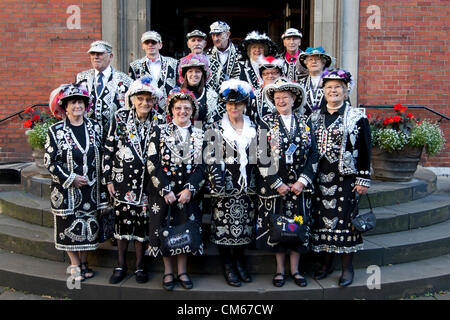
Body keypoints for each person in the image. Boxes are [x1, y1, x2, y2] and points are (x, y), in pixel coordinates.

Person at [309, 69, 371, 287]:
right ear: (323, 92)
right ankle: (326, 264)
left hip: (345, 178)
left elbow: (365, 148)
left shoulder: (357, 117)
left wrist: (363, 179)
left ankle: (347, 267)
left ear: (346, 91)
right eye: (329, 88)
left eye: (338, 88)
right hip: (319, 178)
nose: (333, 91)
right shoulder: (314, 116)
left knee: (344, 221)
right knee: (321, 221)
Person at [255, 77, 318, 288]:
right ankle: (280, 271)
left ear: (294, 99)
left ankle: (296, 271)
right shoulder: (265, 121)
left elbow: (313, 155)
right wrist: (277, 183)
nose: (281, 101)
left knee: (297, 227)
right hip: (276, 188)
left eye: (285, 97)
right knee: (278, 228)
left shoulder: (305, 122)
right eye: (277, 98)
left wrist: (302, 181)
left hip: (299, 188)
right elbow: (261, 155)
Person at [103, 76, 163, 284]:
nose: (144, 103)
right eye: (140, 98)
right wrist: (108, 179)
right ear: (132, 99)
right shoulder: (119, 118)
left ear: (154, 101)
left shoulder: (160, 120)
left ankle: (140, 266)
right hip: (122, 180)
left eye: (149, 99)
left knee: (141, 227)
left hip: (148, 183)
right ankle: (120, 265)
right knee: (121, 227)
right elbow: (108, 149)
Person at [45, 82, 107, 282]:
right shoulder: (55, 131)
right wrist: (70, 178)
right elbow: (50, 161)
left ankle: (84, 262)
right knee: (69, 225)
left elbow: (105, 154)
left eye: (80, 102)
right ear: (65, 107)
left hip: (92, 188)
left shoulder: (96, 127)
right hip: (67, 191)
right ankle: (74, 263)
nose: (77, 106)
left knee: (90, 226)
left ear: (85, 105)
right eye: (72, 103)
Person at [146, 88, 206, 291]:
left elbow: (205, 165)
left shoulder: (201, 132)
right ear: (171, 110)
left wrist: (190, 189)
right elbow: (152, 162)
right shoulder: (159, 130)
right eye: (178, 107)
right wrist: (165, 189)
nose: (182, 111)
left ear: (192, 110)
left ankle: (183, 271)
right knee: (166, 231)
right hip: (163, 194)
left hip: (189, 195)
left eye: (187, 108)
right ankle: (168, 272)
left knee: (185, 231)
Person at [205, 79, 257, 287]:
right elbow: (210, 157)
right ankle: (228, 266)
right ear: (225, 105)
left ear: (244, 105)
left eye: (237, 104)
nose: (233, 107)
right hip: (224, 185)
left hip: (247, 185)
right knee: (224, 228)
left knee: (243, 227)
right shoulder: (215, 126)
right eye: (230, 104)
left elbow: (261, 156)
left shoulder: (254, 125)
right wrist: (217, 184)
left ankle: (240, 262)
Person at [76, 40, 132, 141]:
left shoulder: (125, 80)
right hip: (88, 138)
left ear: (110, 56)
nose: (95, 57)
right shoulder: (82, 78)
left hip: (115, 138)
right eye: (92, 53)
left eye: (100, 54)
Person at [129, 31, 178, 124]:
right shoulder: (135, 66)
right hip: (146, 114)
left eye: (154, 42)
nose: (150, 45)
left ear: (160, 45)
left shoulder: (174, 63)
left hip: (169, 115)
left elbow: (179, 87)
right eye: (147, 42)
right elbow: (132, 93)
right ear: (143, 46)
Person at [177, 53, 218, 124]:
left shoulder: (210, 95)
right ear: (185, 74)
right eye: (190, 71)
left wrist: (197, 132)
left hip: (202, 132)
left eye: (197, 71)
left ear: (203, 74)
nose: (194, 75)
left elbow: (212, 123)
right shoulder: (176, 93)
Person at [206, 21, 242, 93]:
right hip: (213, 97)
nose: (215, 38)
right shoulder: (206, 55)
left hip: (235, 96)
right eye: (213, 35)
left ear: (228, 34)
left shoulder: (241, 53)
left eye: (218, 35)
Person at [298, 47, 334, 116]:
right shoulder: (300, 84)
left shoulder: (332, 82)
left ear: (323, 63)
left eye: (317, 59)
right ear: (306, 64)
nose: (313, 62)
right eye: (310, 59)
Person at [253, 55, 284, 123]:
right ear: (262, 76)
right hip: (263, 130)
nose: (270, 76)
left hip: (283, 131)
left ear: (280, 75)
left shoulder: (286, 94)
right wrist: (263, 133)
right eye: (266, 73)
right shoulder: (256, 96)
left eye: (274, 73)